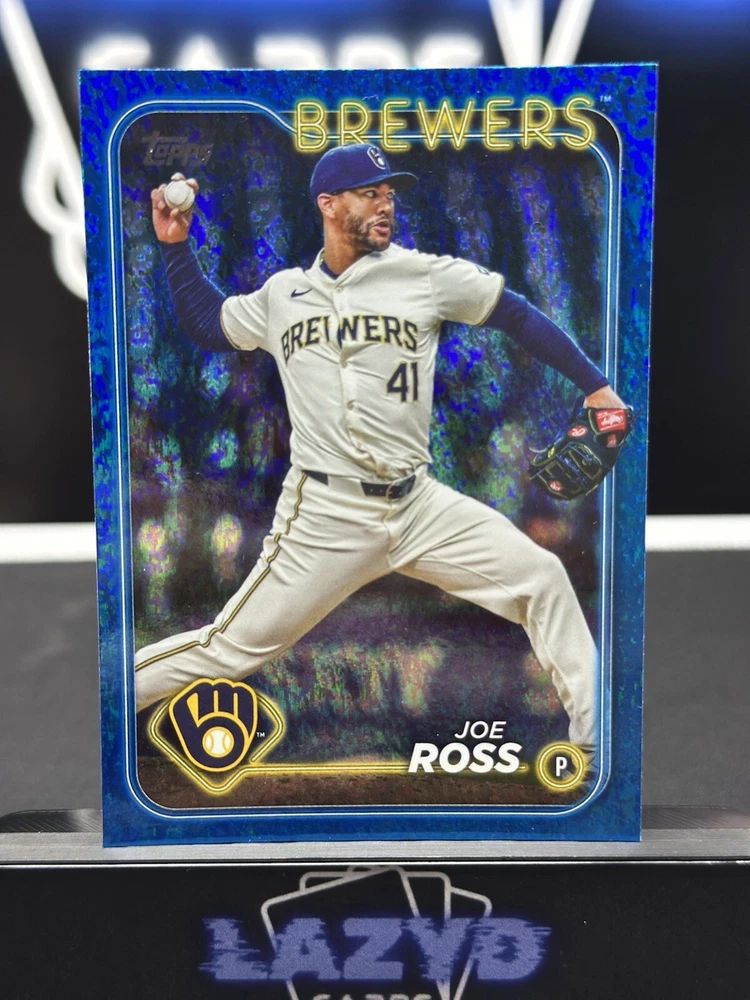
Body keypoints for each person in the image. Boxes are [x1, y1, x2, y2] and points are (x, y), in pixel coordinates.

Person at [134, 142, 626, 760]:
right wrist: (175, 246)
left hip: (418, 504)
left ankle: (595, 752)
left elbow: (517, 316)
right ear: (328, 204)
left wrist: (596, 387)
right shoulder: (284, 294)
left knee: (543, 578)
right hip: (325, 515)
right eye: (370, 194)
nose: (385, 204)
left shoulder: (423, 275)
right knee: (228, 650)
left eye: (389, 193)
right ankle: (112, 698)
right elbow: (209, 324)